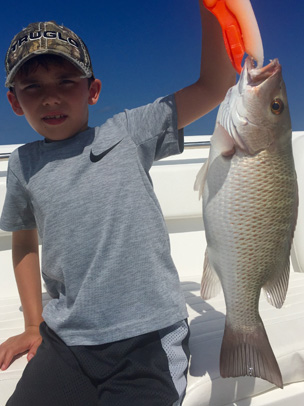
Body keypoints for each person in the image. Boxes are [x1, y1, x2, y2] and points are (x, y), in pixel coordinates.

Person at [0, 1, 235, 405]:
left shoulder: (127, 131)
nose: (51, 97)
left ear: (93, 90)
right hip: (66, 341)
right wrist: (33, 324)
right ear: (15, 102)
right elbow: (24, 242)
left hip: (146, 338)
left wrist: (212, 9)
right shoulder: (23, 164)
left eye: (65, 80)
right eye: (33, 86)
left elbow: (214, 85)